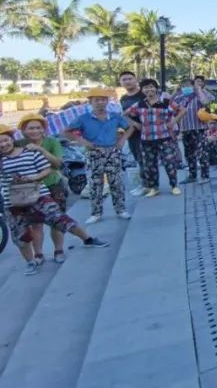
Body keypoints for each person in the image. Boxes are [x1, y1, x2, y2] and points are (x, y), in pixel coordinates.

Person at [0, 124, 108, 274]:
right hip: (13, 202)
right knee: (19, 235)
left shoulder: (29, 152)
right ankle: (30, 262)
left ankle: (88, 239)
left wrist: (33, 177)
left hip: (39, 196)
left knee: (60, 219)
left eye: (5, 140)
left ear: (12, 139)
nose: (3, 144)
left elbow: (47, 169)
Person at [67, 88, 134, 223]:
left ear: (107, 101)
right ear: (90, 102)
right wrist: (83, 142)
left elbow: (130, 127)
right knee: (95, 183)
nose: (100, 103)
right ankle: (96, 212)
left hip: (112, 151)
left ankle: (120, 209)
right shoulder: (84, 118)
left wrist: (122, 140)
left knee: (116, 182)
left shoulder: (114, 116)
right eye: (97, 100)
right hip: (94, 152)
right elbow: (67, 131)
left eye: (103, 100)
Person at [17, 113, 68, 261]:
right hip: (30, 189)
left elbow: (57, 164)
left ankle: (58, 251)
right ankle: (38, 254)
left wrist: (40, 150)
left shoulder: (52, 142)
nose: (35, 131)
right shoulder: (18, 144)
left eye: (38, 128)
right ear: (23, 130)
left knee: (57, 221)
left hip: (53, 185)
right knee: (35, 224)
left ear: (43, 129)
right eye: (30, 128)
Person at [125, 78, 184, 197]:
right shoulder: (139, 104)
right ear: (142, 90)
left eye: (151, 86)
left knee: (169, 163)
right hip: (146, 139)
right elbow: (124, 114)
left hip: (165, 138)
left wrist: (173, 122)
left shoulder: (166, 102)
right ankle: (154, 188)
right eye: (146, 87)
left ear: (156, 88)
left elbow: (182, 110)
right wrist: (135, 124)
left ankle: (174, 186)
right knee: (150, 165)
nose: (149, 89)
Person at [176, 75, 215, 184]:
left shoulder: (199, 93)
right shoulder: (181, 96)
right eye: (184, 85)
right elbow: (171, 105)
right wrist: (176, 92)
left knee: (202, 153)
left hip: (199, 128)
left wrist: (198, 89)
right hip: (185, 129)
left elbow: (206, 102)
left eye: (188, 85)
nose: (186, 87)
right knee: (189, 154)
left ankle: (205, 176)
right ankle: (192, 175)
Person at [119, 70, 146, 196]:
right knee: (138, 159)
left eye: (130, 78)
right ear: (120, 82)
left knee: (144, 159)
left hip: (145, 132)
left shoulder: (143, 95)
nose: (127, 81)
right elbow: (123, 116)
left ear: (136, 80)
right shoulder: (123, 99)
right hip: (131, 133)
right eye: (124, 79)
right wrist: (133, 123)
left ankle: (147, 185)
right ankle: (144, 184)